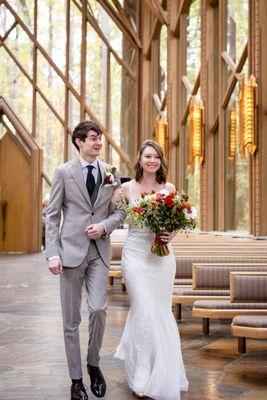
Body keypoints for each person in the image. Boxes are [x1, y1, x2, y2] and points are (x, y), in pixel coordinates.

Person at [45, 120, 125, 400]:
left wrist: (104, 226)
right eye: (93, 138)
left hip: (99, 252)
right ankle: (76, 380)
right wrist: (52, 253)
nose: (98, 143)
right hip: (69, 253)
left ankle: (93, 364)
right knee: (71, 320)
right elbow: (52, 215)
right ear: (79, 141)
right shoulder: (63, 172)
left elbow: (120, 213)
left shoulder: (112, 173)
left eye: (100, 138)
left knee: (99, 309)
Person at [113, 140, 189, 400]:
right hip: (135, 256)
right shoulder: (126, 188)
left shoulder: (169, 188)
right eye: (147, 156)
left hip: (162, 258)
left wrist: (170, 235)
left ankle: (163, 370)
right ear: (139, 158)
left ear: (161, 161)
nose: (152, 161)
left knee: (158, 311)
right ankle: (141, 375)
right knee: (144, 310)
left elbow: (178, 221)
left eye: (156, 156)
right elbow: (113, 215)